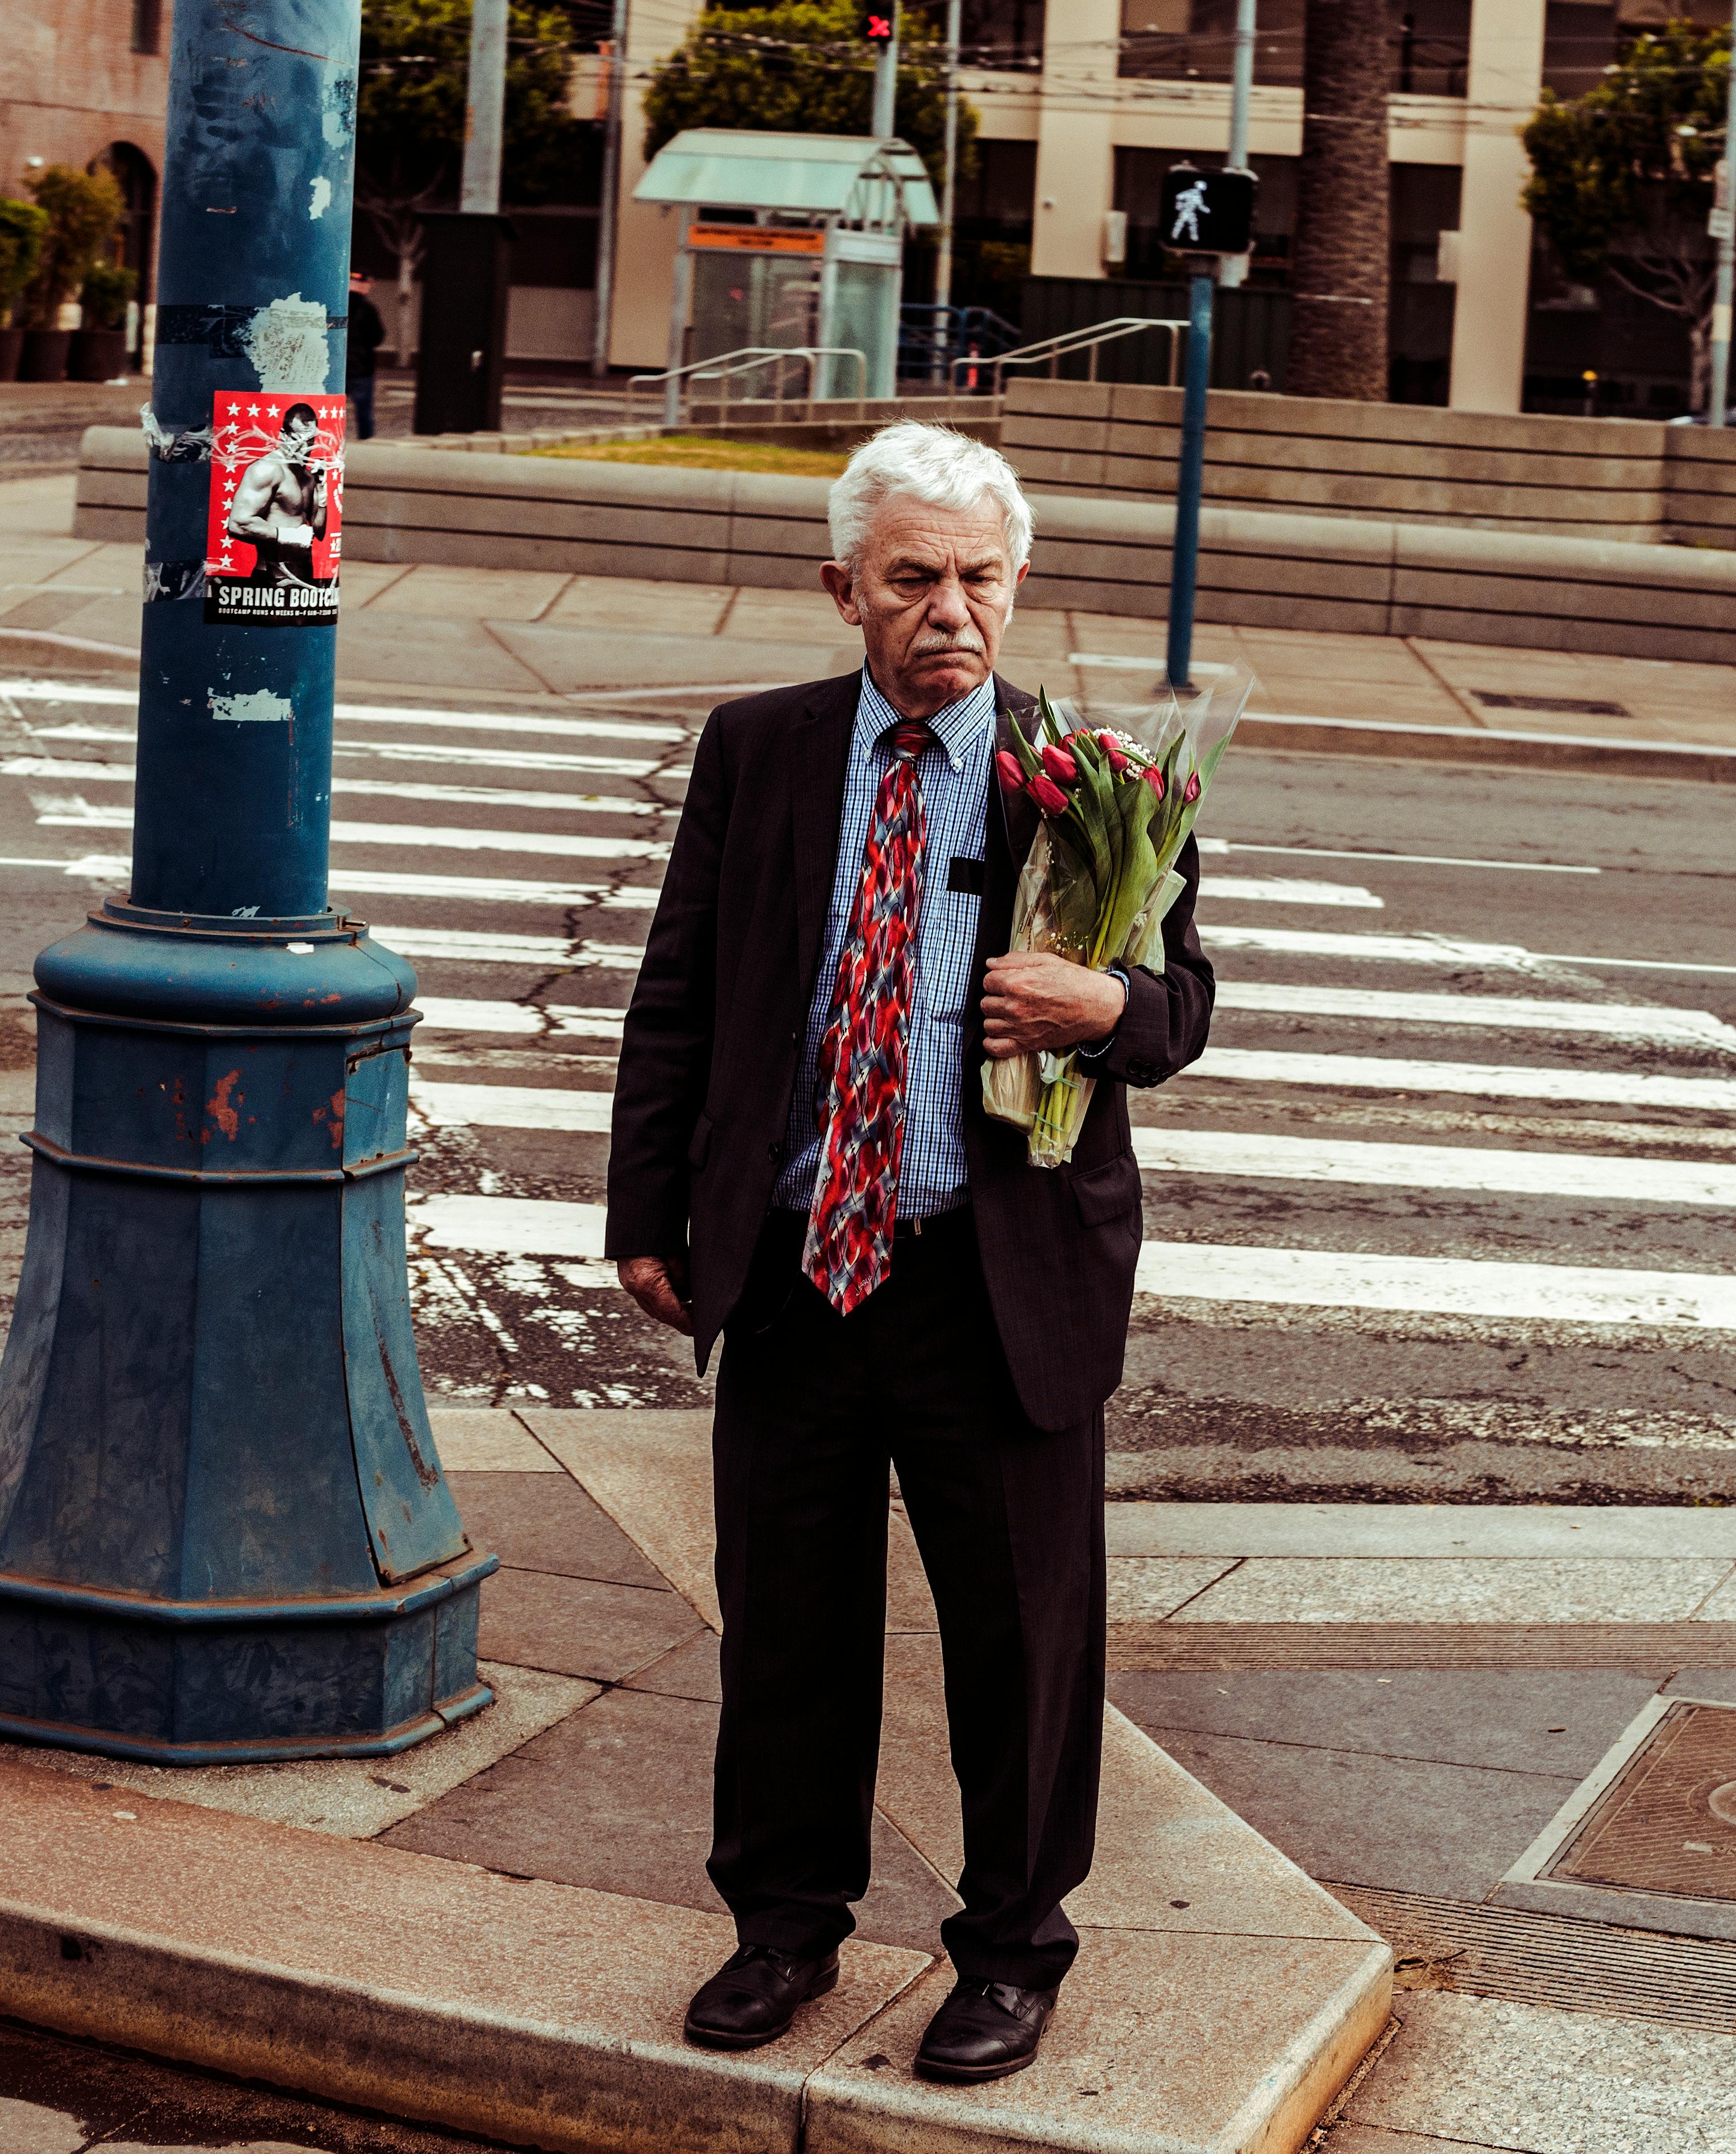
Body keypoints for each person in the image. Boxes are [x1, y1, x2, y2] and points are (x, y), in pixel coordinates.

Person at [605, 422, 1213, 2087]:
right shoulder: (761, 754)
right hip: (802, 1262)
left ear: (1016, 585)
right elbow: (681, 995)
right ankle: (784, 1920)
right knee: (789, 1620)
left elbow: (1184, 1009)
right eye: (911, 578)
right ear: (842, 590)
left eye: (977, 576)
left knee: (1020, 1634)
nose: (948, 609)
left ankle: (1013, 1947)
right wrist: (647, 1212)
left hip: (992, 1276)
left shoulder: (1098, 777)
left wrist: (1107, 1006)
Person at [223, 402, 329, 584]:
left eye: (310, 441)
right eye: (299, 440)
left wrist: (322, 490)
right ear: (283, 436)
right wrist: (287, 536)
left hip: (304, 576)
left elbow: (318, 532)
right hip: (273, 577)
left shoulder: (308, 476)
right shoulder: (267, 470)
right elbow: (237, 524)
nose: (305, 448)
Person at [345, 268, 385, 441]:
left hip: (337, 367)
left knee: (330, 407)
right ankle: (366, 441)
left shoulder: (338, 305)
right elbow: (377, 338)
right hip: (362, 368)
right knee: (364, 411)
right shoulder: (368, 309)